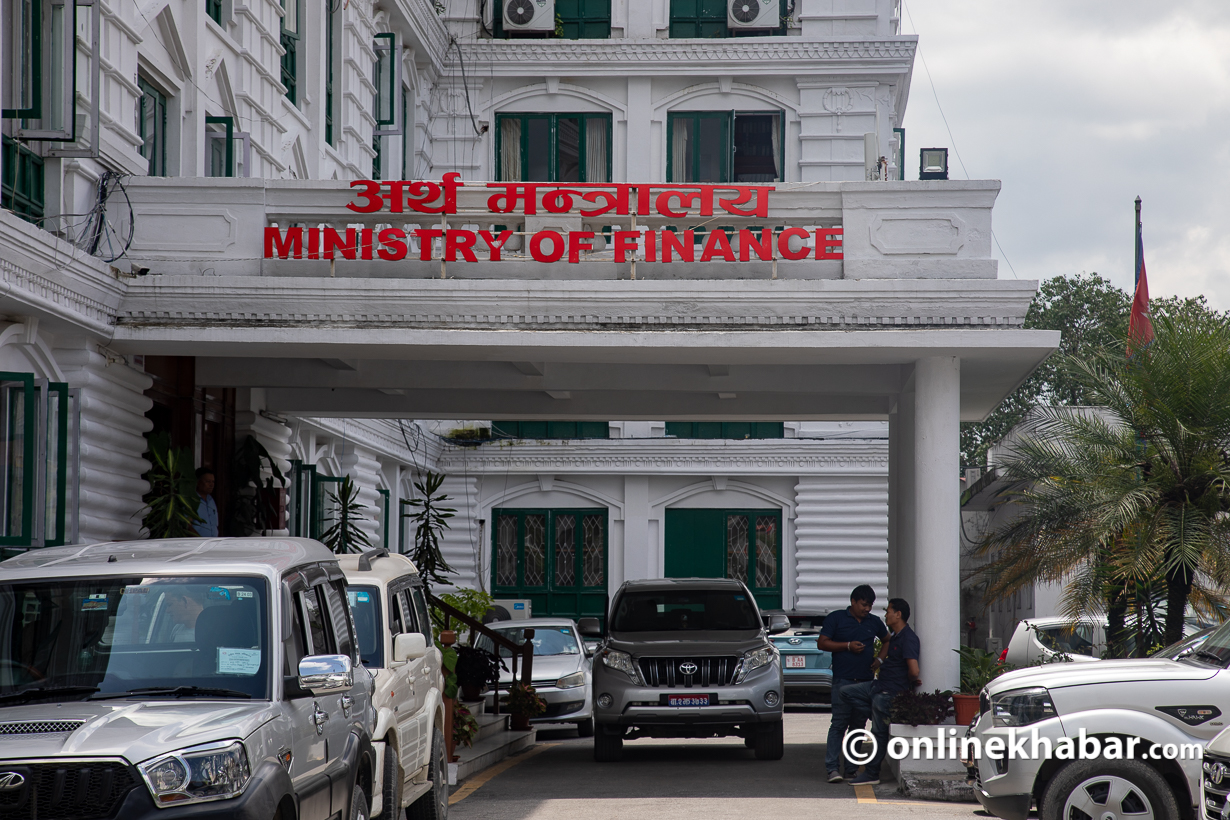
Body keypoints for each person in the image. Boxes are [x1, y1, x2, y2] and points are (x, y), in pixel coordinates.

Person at [841, 598, 921, 786]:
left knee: (878, 733)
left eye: (888, 611)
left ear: (898, 614)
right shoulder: (895, 636)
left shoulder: (908, 638)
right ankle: (875, 712)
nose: (885, 615)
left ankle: (872, 773)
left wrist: (908, 681)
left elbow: (914, 670)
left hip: (889, 691)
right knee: (845, 692)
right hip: (878, 687)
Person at [819, 584, 889, 782]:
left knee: (858, 726)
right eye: (863, 604)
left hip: (865, 682)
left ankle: (851, 769)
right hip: (842, 680)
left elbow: (887, 640)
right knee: (839, 724)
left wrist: (880, 660)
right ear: (853, 601)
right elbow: (822, 642)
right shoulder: (836, 618)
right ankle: (832, 769)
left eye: (870, 605)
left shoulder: (874, 622)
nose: (867, 609)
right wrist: (847, 646)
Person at [194, 467, 219, 537]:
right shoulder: (192, 500)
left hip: (212, 542)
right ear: (198, 482)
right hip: (197, 542)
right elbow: (187, 526)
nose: (211, 485)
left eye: (213, 482)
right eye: (208, 481)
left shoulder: (211, 500)